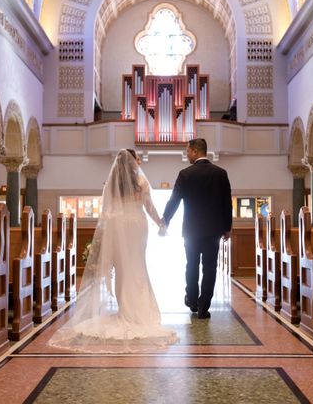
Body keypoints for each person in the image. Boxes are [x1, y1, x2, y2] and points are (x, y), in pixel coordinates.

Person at [49, 149, 178, 352]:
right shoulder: (141, 183)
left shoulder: (111, 184)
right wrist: (161, 224)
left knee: (122, 268)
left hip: (117, 226)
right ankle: (136, 312)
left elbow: (105, 212)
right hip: (137, 225)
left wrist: (104, 237)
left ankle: (125, 311)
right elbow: (149, 207)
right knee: (137, 265)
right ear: (133, 165)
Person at [161, 138, 232, 319]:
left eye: (187, 151)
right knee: (210, 267)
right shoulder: (220, 173)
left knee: (191, 265)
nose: (186, 154)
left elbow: (174, 200)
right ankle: (203, 307)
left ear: (194, 151)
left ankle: (192, 300)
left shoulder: (185, 174)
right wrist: (227, 227)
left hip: (191, 231)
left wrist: (166, 219)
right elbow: (227, 203)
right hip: (213, 230)